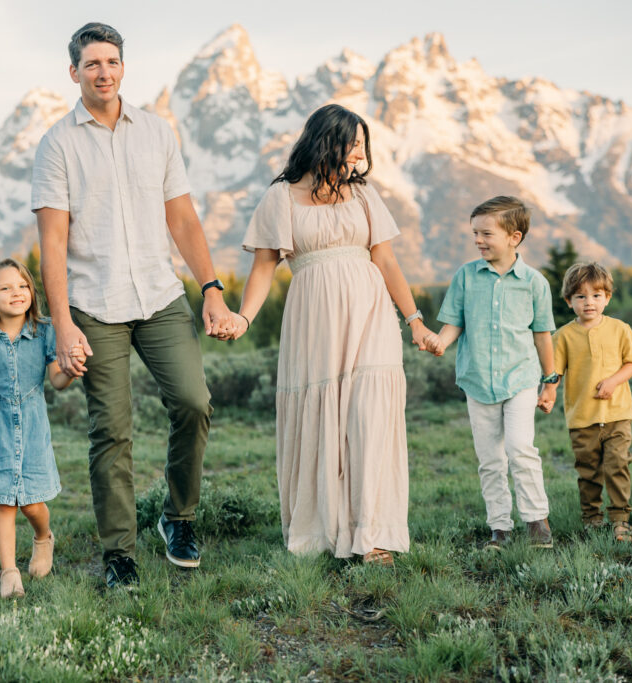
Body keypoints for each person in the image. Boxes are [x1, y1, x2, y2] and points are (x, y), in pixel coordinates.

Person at [31, 22, 233, 589]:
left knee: (194, 402)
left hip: (160, 294)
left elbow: (183, 219)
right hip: (94, 305)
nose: (104, 72)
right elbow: (52, 244)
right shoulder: (57, 145)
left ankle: (178, 518)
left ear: (123, 67)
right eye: (92, 64)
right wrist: (63, 325)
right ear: (74, 72)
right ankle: (119, 554)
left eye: (112, 62)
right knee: (112, 431)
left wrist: (211, 288)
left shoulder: (156, 132)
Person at [228, 104, 437, 565]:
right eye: (354, 144)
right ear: (327, 141)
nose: (361, 154)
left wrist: (416, 321)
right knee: (323, 417)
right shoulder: (281, 197)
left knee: (370, 416)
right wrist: (243, 319)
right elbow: (263, 268)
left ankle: (372, 534)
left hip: (371, 314)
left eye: (363, 145)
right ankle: (324, 529)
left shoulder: (364, 194)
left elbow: (386, 260)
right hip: (314, 320)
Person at [430, 196, 557, 550]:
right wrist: (441, 342)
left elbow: (542, 335)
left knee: (520, 448)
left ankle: (537, 522)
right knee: (490, 459)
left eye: (486, 233)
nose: (478, 240)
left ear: (514, 237)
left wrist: (550, 382)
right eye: (475, 233)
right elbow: (454, 323)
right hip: (478, 381)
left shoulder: (534, 282)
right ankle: (500, 528)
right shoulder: (465, 276)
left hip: (521, 380)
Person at [0, 259, 83, 598]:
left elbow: (56, 380)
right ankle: (9, 572)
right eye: (6, 288)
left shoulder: (45, 332)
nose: (17, 293)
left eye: (23, 286)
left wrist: (70, 372)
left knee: (31, 504)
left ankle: (43, 537)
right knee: (3, 503)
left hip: (32, 426)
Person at [551, 262, 632, 541]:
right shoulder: (562, 336)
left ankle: (620, 521)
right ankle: (592, 519)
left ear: (607, 298)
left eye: (596, 295)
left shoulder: (620, 329)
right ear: (569, 301)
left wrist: (613, 381)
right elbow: (554, 373)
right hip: (582, 418)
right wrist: (546, 393)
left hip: (617, 415)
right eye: (581, 296)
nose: (589, 302)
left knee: (617, 466)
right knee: (588, 471)